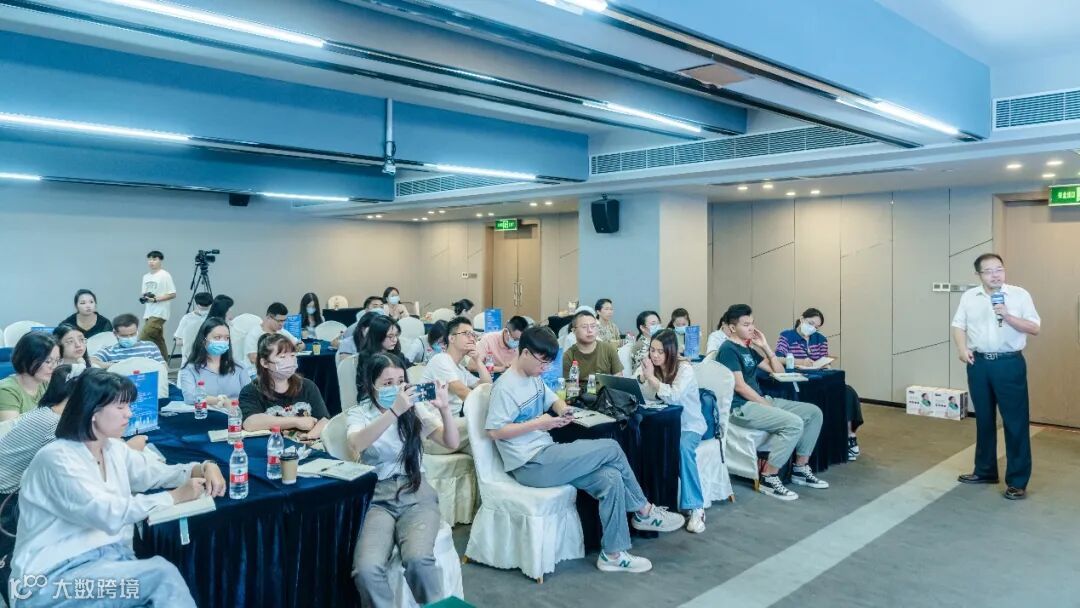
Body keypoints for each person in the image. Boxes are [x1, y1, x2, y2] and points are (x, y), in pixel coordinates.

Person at [10, 369, 224, 607]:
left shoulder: (113, 449)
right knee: (161, 576)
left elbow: (158, 474)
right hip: (53, 575)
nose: (129, 414)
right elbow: (106, 513)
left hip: (107, 562)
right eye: (121, 407)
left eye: (128, 406)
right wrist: (173, 497)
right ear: (92, 411)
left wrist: (204, 467)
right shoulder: (56, 458)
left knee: (160, 578)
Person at [486, 326, 684, 573]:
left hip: (547, 454)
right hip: (530, 464)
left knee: (611, 478)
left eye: (548, 363)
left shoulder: (533, 376)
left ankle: (613, 554)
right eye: (542, 362)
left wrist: (562, 409)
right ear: (525, 353)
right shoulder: (505, 387)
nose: (545, 368)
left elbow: (552, 399)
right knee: (611, 448)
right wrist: (539, 424)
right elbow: (494, 431)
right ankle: (644, 511)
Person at [0, 366, 149, 603]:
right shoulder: (57, 431)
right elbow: (80, 475)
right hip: (9, 499)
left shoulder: (50, 413)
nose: (127, 413)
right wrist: (127, 450)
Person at [348, 354, 457, 607]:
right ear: (371, 384)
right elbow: (356, 444)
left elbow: (450, 442)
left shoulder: (415, 409)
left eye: (400, 381)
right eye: (387, 383)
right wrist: (393, 411)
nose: (396, 388)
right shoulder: (359, 413)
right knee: (366, 570)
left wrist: (444, 409)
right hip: (377, 498)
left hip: (415, 491)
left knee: (419, 560)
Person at [716, 304, 828, 501]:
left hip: (759, 401)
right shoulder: (728, 349)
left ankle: (800, 468)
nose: (751, 328)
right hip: (741, 407)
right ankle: (768, 477)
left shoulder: (748, 348)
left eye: (752, 323)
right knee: (794, 422)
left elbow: (779, 372)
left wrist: (765, 346)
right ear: (732, 327)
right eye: (746, 324)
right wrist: (764, 404)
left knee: (814, 412)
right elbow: (740, 387)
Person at [952, 253, 1040, 500]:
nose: (995, 275)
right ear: (978, 274)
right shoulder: (970, 297)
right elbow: (959, 325)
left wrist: (1007, 315)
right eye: (988, 271)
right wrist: (962, 349)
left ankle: (1017, 481)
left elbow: (1035, 328)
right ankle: (985, 470)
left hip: (1009, 363)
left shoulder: (1019, 295)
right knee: (983, 419)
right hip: (979, 364)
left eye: (999, 269)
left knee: (1015, 422)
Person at [637, 329, 707, 533]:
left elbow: (674, 397)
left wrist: (651, 377)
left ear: (671, 351)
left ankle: (696, 507)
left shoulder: (684, 369)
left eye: (660, 351)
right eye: (652, 350)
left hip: (688, 425)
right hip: (662, 425)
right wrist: (643, 378)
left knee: (683, 449)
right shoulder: (651, 366)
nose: (655, 355)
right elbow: (644, 394)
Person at [775, 308, 864, 461]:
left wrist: (826, 366)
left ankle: (850, 436)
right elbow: (778, 358)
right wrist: (799, 361)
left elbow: (823, 359)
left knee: (847, 392)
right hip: (798, 378)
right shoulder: (787, 336)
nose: (813, 329)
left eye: (816, 327)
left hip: (817, 377)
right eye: (810, 324)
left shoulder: (820, 339)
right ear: (802, 319)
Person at [420, 317, 492, 454]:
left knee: (488, 449)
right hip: (436, 434)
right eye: (466, 334)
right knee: (486, 423)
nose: (472, 338)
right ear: (451, 338)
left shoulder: (460, 369)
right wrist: (494, 409)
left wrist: (478, 361)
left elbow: (486, 386)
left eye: (473, 334)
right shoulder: (440, 360)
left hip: (454, 429)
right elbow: (463, 393)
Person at [239, 333, 329, 440]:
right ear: (264, 363)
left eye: (292, 355)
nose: (289, 361)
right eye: (282, 357)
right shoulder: (251, 391)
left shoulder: (307, 386)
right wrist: (295, 421)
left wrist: (309, 436)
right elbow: (250, 423)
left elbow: (324, 420)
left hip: (307, 444)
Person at [179, 318, 250, 407]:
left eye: (226, 338)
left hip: (236, 413)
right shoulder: (190, 368)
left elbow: (249, 397)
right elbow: (190, 397)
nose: (223, 341)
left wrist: (232, 404)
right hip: (206, 413)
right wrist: (219, 401)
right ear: (203, 340)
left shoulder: (239, 367)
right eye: (217, 337)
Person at [0, 333, 59, 421]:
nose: (54, 366)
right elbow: (12, 429)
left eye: (57, 360)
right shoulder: (6, 391)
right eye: (48, 361)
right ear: (26, 359)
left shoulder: (46, 383)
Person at [562, 310, 623, 386]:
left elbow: (618, 377)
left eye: (593, 326)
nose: (590, 330)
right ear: (574, 331)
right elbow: (568, 385)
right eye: (584, 327)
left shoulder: (608, 349)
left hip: (606, 392)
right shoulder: (568, 356)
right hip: (579, 392)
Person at [355, 316, 411, 394]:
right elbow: (364, 389)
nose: (395, 340)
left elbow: (410, 369)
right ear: (378, 336)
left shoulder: (398, 355)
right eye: (390, 336)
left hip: (400, 395)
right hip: (377, 397)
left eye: (396, 335)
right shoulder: (366, 358)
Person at [138, 250, 177, 361]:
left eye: (154, 259)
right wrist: (147, 297)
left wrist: (155, 299)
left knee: (143, 337)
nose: (151, 262)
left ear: (160, 261)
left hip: (160, 312)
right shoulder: (145, 276)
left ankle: (137, 360)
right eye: (149, 259)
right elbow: (144, 293)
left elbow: (172, 294)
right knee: (158, 340)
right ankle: (164, 363)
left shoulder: (165, 275)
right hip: (148, 312)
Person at [90, 314, 166, 368]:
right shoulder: (109, 351)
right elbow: (91, 361)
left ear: (137, 330)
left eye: (132, 334)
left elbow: (163, 366)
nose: (129, 338)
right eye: (124, 336)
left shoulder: (150, 347)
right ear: (115, 334)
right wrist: (116, 366)